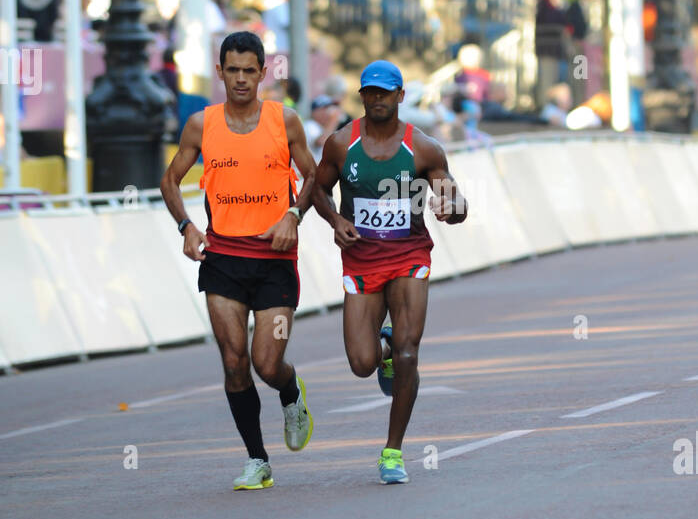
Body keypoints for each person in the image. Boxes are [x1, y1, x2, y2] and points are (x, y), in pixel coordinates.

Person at [160, 31, 317, 491]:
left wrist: (294, 214)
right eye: (234, 70)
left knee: (267, 362)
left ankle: (290, 393)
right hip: (223, 259)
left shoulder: (284, 121)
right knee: (233, 362)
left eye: (251, 70)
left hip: (274, 259)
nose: (242, 79)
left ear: (264, 73)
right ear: (220, 72)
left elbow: (313, 176)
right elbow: (170, 180)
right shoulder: (200, 125)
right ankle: (257, 460)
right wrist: (186, 226)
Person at [313, 59, 467, 484]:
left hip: (408, 258)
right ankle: (382, 348)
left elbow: (457, 203)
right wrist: (334, 220)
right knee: (361, 363)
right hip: (362, 261)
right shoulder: (342, 144)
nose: (377, 98)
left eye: (385, 92)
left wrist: (451, 207)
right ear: (361, 97)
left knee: (409, 351)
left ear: (401, 96)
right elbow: (316, 190)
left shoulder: (425, 148)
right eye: (370, 92)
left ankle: (393, 452)